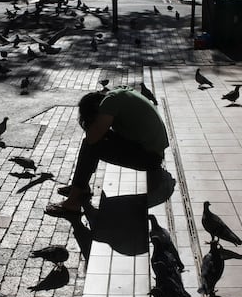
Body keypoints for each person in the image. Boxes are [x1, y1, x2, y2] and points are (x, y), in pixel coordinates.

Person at [45, 85, 176, 218]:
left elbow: (92, 139)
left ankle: (73, 202)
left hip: (150, 158)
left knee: (92, 145)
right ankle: (80, 187)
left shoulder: (109, 103)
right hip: (152, 151)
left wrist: (92, 126)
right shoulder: (118, 94)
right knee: (96, 140)